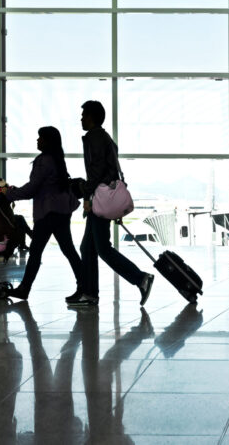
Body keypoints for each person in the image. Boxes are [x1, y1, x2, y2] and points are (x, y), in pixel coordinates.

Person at [69, 100, 154, 308]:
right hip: (104, 196)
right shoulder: (104, 137)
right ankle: (89, 293)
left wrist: (88, 196)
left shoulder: (95, 137)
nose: (81, 119)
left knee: (102, 249)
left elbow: (96, 171)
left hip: (100, 197)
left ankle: (141, 279)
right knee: (87, 247)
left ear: (92, 117)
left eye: (84, 115)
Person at [1, 127, 82, 300]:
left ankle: (24, 289)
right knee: (68, 250)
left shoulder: (44, 160)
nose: (37, 140)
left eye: (40, 138)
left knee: (36, 251)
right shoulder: (57, 159)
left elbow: (32, 188)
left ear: (47, 141)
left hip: (48, 212)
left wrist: (8, 194)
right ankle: (84, 286)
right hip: (61, 211)